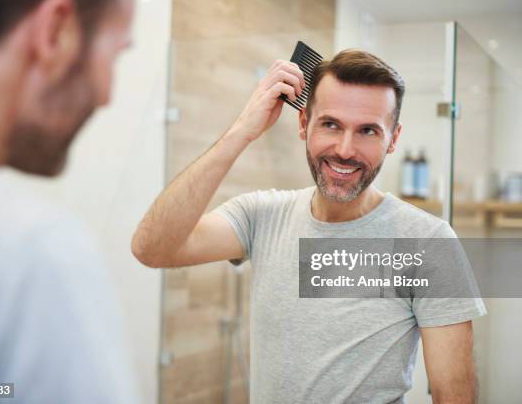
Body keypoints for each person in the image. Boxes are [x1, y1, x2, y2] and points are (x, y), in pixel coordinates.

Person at [132, 50, 487, 403]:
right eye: (330, 124)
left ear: (393, 139)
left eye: (367, 131)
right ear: (304, 123)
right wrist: (242, 131)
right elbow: (152, 248)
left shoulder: (428, 242)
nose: (345, 150)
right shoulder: (262, 215)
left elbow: (453, 394)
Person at [0, 0, 139, 402]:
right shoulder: (28, 250)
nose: (107, 95)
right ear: (55, 31)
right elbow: (155, 246)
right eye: (115, 57)